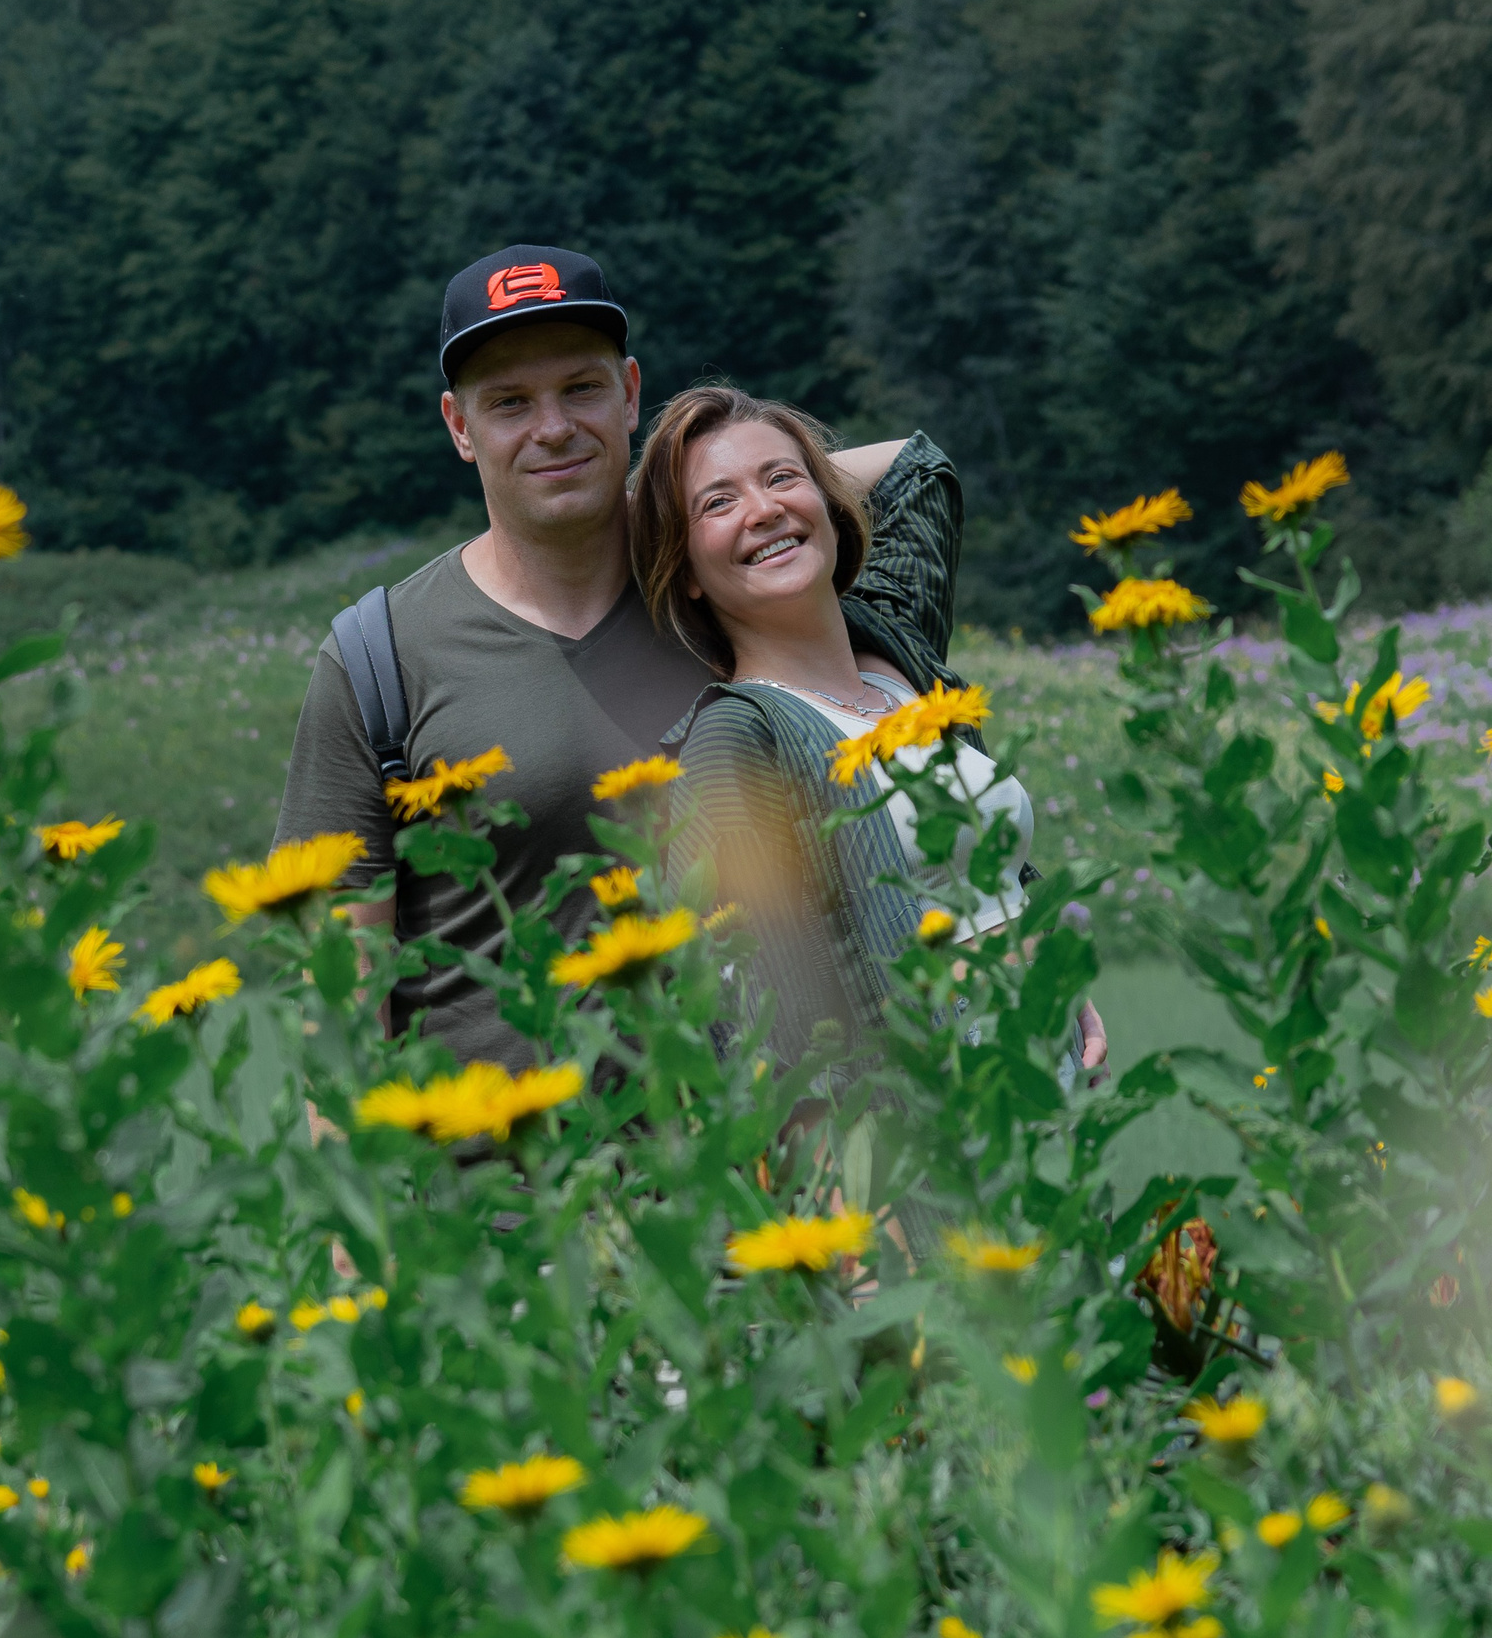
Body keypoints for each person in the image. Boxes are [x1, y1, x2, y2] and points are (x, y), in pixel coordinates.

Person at [271, 246, 919, 1071]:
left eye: (581, 388)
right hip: (503, 1191)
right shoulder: (378, 658)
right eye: (509, 403)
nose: (552, 426)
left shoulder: (722, 585)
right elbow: (339, 1008)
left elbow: (913, 474)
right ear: (458, 427)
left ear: (631, 395)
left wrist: (700, 495)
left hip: (757, 1177)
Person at [634, 383, 1106, 1098]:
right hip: (937, 1139)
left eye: (781, 476)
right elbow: (754, 1015)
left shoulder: (898, 646)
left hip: (1059, 1098)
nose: (763, 509)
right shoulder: (737, 737)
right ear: (686, 568)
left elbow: (916, 469)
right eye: (716, 503)